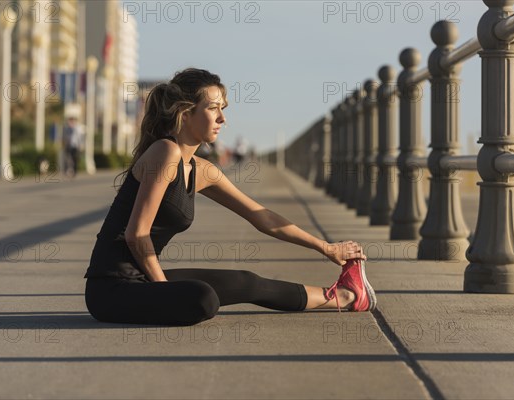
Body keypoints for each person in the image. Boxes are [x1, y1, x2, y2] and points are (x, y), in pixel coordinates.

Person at [84, 68, 376, 326]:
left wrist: (325, 248)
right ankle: (167, 295)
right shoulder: (165, 152)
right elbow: (137, 234)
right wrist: (162, 290)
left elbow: (261, 217)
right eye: (213, 108)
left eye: (223, 108)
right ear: (185, 113)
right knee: (204, 299)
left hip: (143, 279)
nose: (222, 118)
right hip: (111, 290)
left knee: (246, 281)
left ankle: (346, 296)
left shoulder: (202, 170)